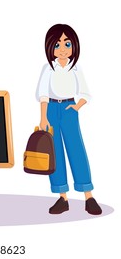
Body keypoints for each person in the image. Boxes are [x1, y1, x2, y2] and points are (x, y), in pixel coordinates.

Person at [36, 24, 102, 215]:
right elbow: (42, 94)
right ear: (50, 48)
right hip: (51, 110)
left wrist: (76, 106)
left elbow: (85, 92)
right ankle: (62, 197)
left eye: (67, 43)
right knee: (54, 152)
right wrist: (43, 117)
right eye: (57, 45)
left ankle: (88, 196)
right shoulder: (48, 68)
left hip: (69, 108)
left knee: (76, 149)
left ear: (74, 45)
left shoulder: (75, 68)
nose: (63, 49)